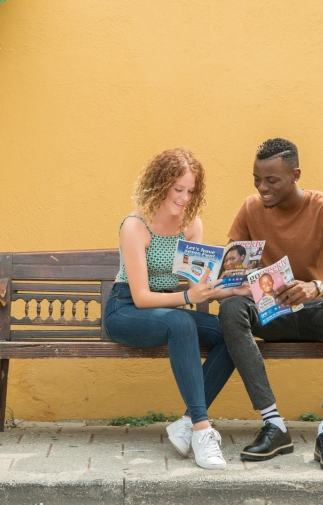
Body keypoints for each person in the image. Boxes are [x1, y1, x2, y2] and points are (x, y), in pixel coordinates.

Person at [219, 138, 323, 471]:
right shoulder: (250, 208)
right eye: (257, 179)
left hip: (317, 314)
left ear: (295, 174)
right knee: (230, 308)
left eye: (272, 180)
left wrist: (317, 287)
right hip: (273, 315)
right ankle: (274, 426)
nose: (262, 188)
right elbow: (230, 274)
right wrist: (234, 283)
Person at [105, 148, 250, 470]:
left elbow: (196, 289)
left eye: (191, 191)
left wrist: (228, 288)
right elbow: (142, 297)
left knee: (232, 331)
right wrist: (188, 299)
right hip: (126, 309)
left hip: (168, 309)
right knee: (181, 323)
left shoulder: (190, 225)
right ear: (160, 185)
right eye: (178, 190)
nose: (184, 198)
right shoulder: (135, 226)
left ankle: (186, 422)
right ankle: (201, 429)